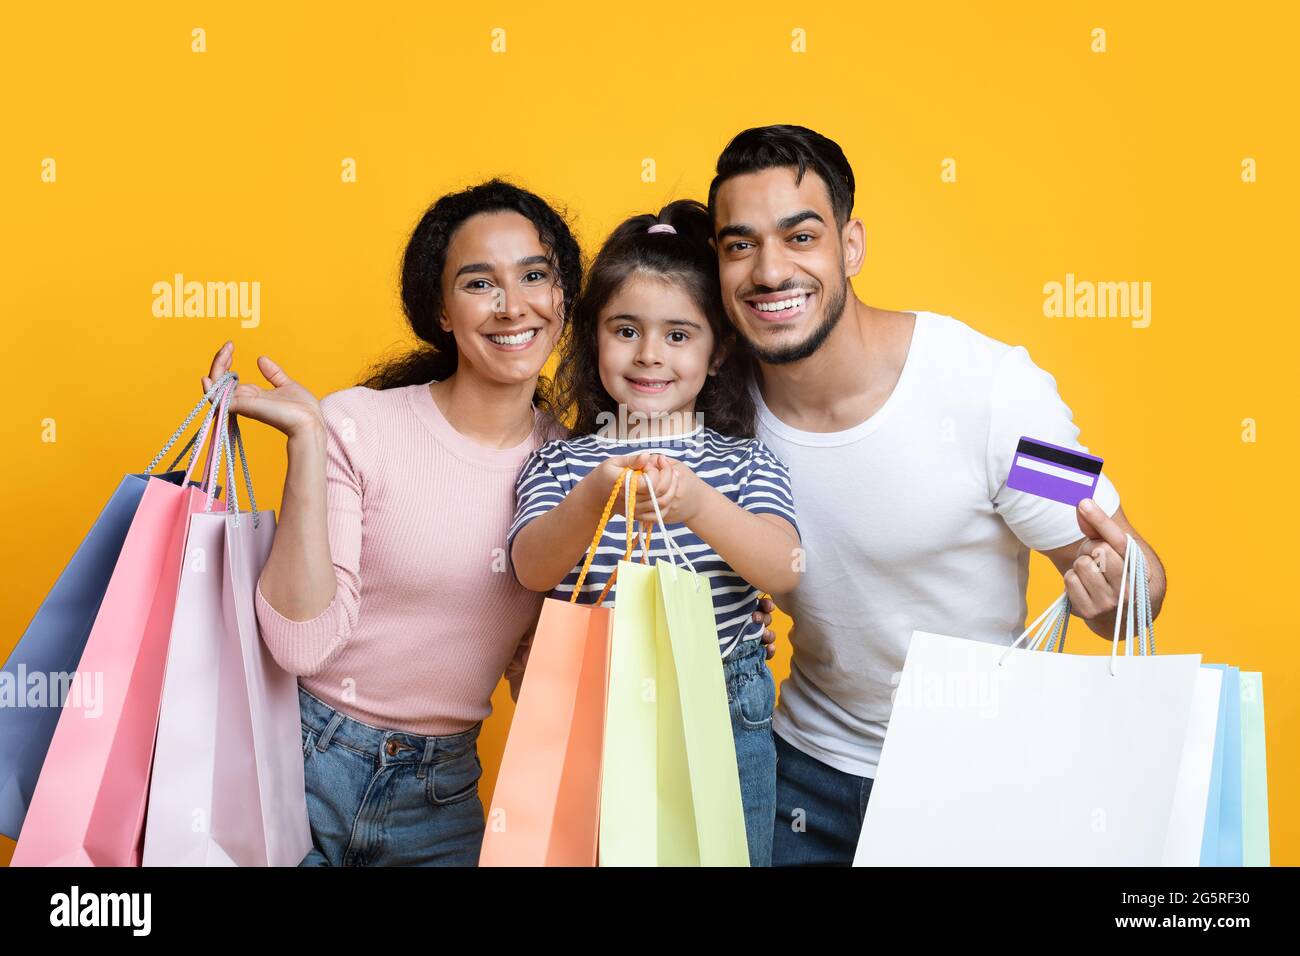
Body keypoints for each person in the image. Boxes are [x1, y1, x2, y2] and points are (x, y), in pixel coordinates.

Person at [705, 125, 1169, 866]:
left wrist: (1119, 592)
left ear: (850, 246)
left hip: (973, 784)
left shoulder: (992, 394)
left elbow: (1129, 563)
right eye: (740, 245)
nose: (769, 270)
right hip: (797, 777)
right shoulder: (714, 405)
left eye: (800, 236)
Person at [202, 179, 581, 865]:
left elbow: (542, 677)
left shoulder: (573, 474)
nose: (512, 305)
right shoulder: (357, 425)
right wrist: (308, 443)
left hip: (440, 797)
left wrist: (719, 640)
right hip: (297, 762)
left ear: (562, 297)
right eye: (478, 284)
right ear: (440, 308)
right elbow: (301, 645)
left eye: (534, 275)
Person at [508, 199, 800, 866]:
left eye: (677, 335)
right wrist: (593, 500)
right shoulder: (561, 460)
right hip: (589, 708)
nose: (648, 355)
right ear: (593, 338)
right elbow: (530, 567)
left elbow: (783, 569)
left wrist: (696, 503)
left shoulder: (743, 463)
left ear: (718, 348)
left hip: (720, 712)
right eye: (624, 330)